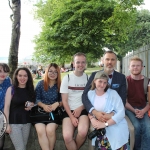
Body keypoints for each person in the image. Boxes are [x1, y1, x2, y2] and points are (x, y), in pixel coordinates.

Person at [82, 50, 133, 150]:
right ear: (103, 60)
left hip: (116, 112)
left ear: (116, 61)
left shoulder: (121, 77)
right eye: (107, 59)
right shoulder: (94, 75)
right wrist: (94, 112)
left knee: (130, 129)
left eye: (112, 59)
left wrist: (112, 114)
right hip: (97, 113)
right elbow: (85, 96)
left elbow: (122, 99)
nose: (110, 62)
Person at [88, 71, 129, 150]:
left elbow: (121, 113)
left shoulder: (113, 94)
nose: (102, 85)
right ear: (94, 81)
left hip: (115, 125)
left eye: (105, 82)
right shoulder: (90, 94)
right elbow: (89, 110)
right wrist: (92, 120)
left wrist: (105, 124)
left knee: (116, 144)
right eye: (100, 81)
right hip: (100, 129)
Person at [60, 52, 89, 150]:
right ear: (73, 63)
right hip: (68, 110)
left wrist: (81, 108)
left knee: (83, 132)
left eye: (83, 62)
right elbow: (64, 101)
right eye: (78, 62)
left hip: (83, 109)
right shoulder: (67, 78)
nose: (80, 65)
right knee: (67, 137)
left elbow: (91, 99)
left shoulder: (89, 79)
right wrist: (72, 117)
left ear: (85, 64)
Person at [4, 67, 35, 150]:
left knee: (23, 146)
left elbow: (33, 104)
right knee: (20, 148)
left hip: (26, 122)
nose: (22, 78)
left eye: (25, 76)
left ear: (28, 77)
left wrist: (31, 106)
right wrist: (6, 125)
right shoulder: (11, 89)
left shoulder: (31, 90)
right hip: (14, 123)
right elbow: (6, 107)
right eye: (20, 75)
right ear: (16, 76)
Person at [34, 63, 62, 150]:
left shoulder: (61, 85)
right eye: (50, 71)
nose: (52, 74)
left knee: (50, 130)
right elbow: (36, 99)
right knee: (40, 131)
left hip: (54, 113)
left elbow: (64, 100)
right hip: (40, 112)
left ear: (58, 73)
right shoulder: (40, 84)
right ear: (47, 72)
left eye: (55, 72)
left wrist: (58, 103)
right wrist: (43, 105)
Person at [125, 56, 150, 150]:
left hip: (144, 107)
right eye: (133, 65)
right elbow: (124, 101)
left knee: (148, 127)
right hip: (129, 108)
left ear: (142, 67)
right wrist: (134, 110)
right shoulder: (126, 81)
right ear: (129, 67)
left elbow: (149, 101)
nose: (135, 67)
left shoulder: (147, 81)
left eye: (138, 66)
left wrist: (143, 111)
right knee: (137, 126)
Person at [0, 63, 11, 150]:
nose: (3, 73)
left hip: (3, 114)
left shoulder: (8, 81)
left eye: (5, 71)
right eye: (0, 71)